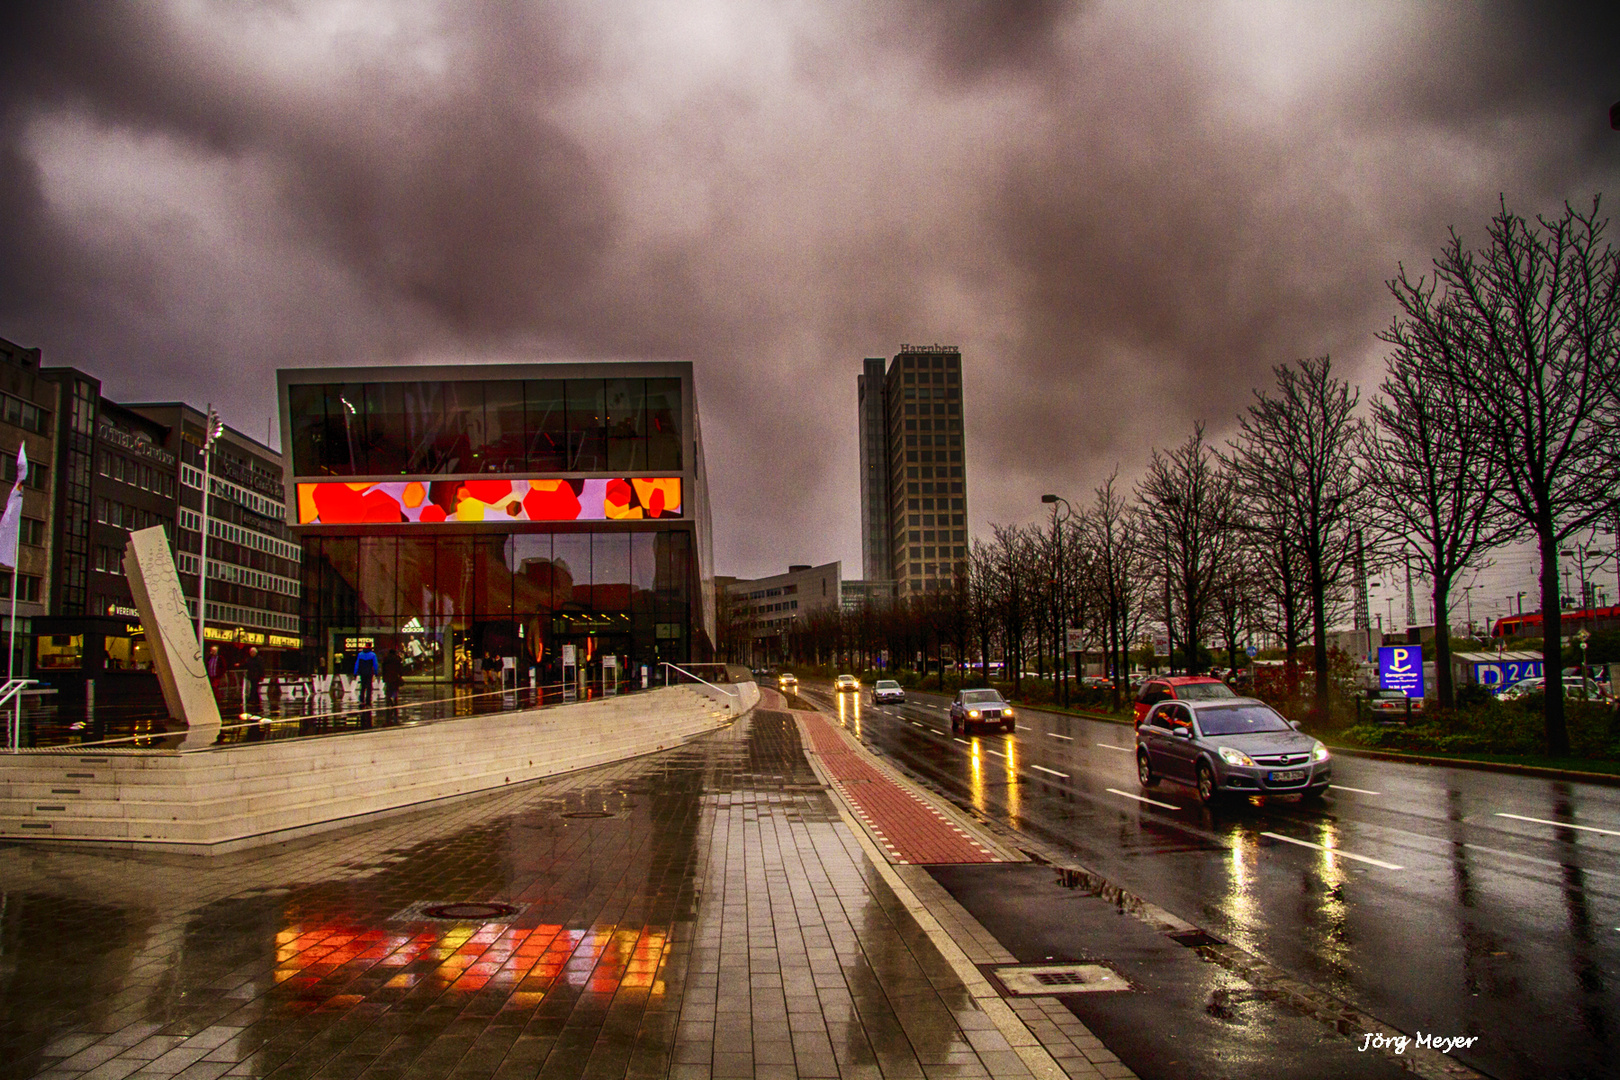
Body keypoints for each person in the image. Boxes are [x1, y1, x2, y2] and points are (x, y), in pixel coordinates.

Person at [244, 646, 265, 711]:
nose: (251, 653)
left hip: (256, 676)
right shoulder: (249, 659)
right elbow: (246, 665)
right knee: (253, 688)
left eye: (252, 652)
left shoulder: (259, 659)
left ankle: (253, 699)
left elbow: (261, 668)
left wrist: (262, 676)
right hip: (251, 676)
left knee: (254, 687)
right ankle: (255, 700)